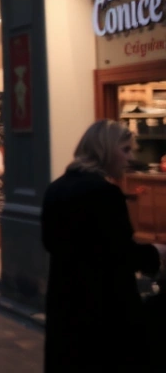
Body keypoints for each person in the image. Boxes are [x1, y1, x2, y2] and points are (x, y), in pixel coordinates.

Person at [42, 120, 166, 372]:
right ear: (105, 150)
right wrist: (156, 253)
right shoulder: (104, 193)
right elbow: (120, 253)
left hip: (65, 304)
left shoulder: (56, 188)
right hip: (103, 310)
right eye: (125, 150)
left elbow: (51, 242)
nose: (129, 158)